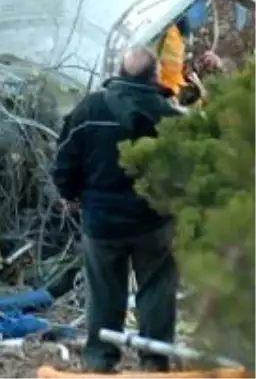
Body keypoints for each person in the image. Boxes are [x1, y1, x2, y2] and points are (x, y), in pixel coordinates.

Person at [51, 47, 183, 373]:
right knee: (156, 289)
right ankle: (154, 360)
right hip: (153, 222)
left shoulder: (90, 109)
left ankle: (100, 360)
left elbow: (64, 161)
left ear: (120, 73)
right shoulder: (169, 116)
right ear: (154, 76)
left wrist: (69, 195)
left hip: (101, 223)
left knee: (104, 294)